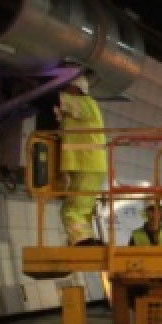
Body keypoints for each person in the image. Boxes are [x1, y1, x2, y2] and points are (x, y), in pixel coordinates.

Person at [56, 71, 106, 245]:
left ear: (75, 89)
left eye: (66, 87)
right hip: (90, 164)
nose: (64, 91)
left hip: (86, 164)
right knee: (83, 209)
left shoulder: (84, 104)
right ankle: (87, 240)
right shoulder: (87, 107)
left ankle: (81, 242)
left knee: (70, 210)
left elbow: (55, 100)